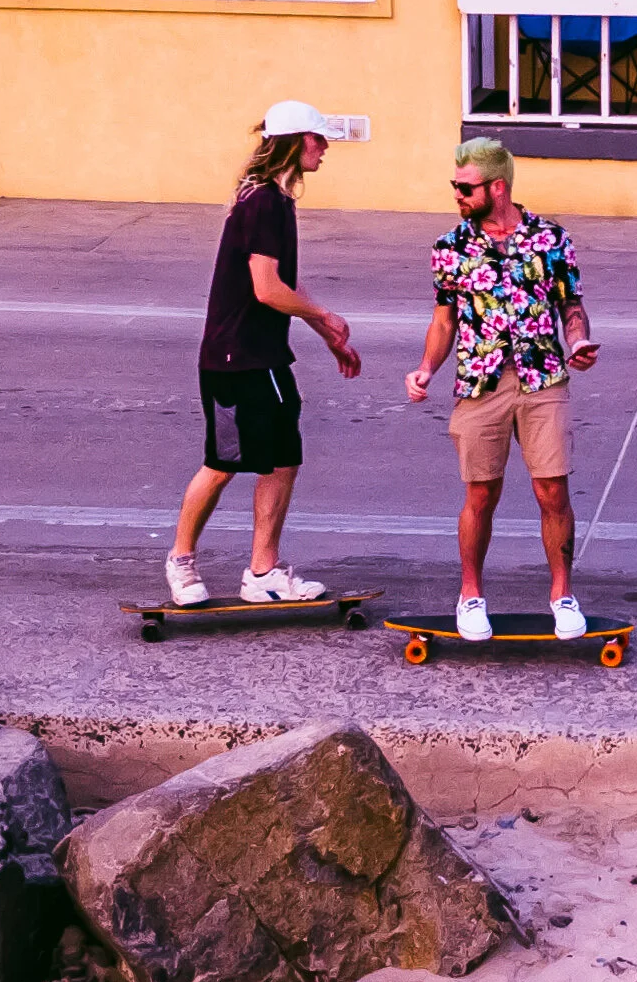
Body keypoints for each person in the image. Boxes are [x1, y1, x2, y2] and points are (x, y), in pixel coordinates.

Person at [166, 101, 361, 607]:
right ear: (295, 142)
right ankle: (181, 562)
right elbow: (267, 289)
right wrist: (326, 317)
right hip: (239, 359)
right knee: (225, 462)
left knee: (281, 460)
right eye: (319, 140)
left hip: (260, 357)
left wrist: (325, 333)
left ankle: (263, 572)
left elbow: (282, 284)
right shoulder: (265, 203)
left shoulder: (269, 198)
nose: (325, 149)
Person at [405, 137, 598, 640]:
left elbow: (571, 306)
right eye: (454, 186)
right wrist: (426, 367)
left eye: (465, 187)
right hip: (479, 382)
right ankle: (470, 596)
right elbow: (444, 319)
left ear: (497, 186)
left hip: (542, 376)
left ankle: (563, 595)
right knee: (480, 494)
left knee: (552, 488)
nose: (456, 195)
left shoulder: (551, 239)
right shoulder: (450, 249)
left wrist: (578, 341)